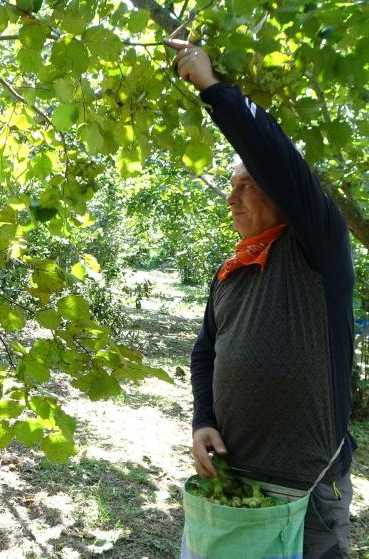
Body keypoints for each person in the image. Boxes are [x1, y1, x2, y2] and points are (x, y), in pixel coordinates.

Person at [166, 39, 356, 557]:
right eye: (232, 186)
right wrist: (202, 419)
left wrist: (213, 88)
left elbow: (277, 158)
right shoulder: (231, 271)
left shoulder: (318, 247)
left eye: (247, 184)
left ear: (279, 191)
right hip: (232, 484)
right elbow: (205, 352)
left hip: (308, 486)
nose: (231, 198)